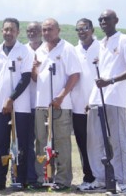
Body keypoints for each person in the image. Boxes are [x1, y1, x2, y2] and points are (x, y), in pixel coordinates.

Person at [0, 18, 34, 191]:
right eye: (5, 29)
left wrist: (11, 98)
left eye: (12, 30)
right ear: (1, 31)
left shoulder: (25, 51)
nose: (8, 33)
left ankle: (20, 179)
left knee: (20, 144)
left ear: (17, 32)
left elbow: (26, 78)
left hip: (21, 107)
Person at [85, 9, 126, 194]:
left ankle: (122, 182)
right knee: (97, 142)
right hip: (98, 98)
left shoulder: (125, 40)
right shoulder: (102, 43)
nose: (103, 21)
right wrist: (92, 98)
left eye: (107, 18)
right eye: (101, 19)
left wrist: (111, 81)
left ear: (116, 20)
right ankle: (102, 179)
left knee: (118, 141)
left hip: (115, 98)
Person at [32, 18, 80, 191]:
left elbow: (75, 75)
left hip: (61, 105)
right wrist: (34, 69)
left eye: (50, 29)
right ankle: (43, 177)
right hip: (41, 104)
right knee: (41, 142)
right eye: (44, 30)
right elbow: (37, 78)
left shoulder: (67, 48)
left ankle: (62, 179)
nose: (46, 33)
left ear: (58, 30)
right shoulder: (39, 50)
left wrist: (60, 96)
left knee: (61, 143)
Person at [70, 18, 97, 190]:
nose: (81, 32)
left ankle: (105, 177)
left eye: (85, 28)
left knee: (101, 143)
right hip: (78, 106)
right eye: (78, 29)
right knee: (83, 143)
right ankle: (88, 177)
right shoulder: (73, 50)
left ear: (92, 29)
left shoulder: (101, 48)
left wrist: (93, 99)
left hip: (98, 104)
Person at [25, 21, 42, 188]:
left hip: (44, 104)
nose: (32, 33)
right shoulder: (22, 50)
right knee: (28, 142)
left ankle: (44, 176)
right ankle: (31, 177)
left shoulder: (48, 49)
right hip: (26, 104)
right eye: (29, 30)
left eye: (35, 30)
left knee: (43, 142)